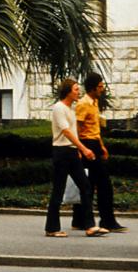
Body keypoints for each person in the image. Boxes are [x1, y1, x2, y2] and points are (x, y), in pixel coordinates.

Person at [45, 78, 107, 238]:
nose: (78, 92)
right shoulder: (59, 108)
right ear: (67, 91)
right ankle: (52, 228)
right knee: (58, 190)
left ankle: (90, 226)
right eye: (75, 89)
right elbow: (66, 131)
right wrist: (84, 148)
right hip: (61, 152)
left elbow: (74, 132)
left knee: (85, 186)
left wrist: (78, 150)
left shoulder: (71, 109)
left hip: (72, 153)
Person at [72, 72, 127, 233]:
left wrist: (101, 146)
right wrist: (81, 149)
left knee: (91, 183)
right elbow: (78, 128)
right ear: (93, 88)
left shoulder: (94, 102)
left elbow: (95, 128)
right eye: (100, 87)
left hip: (94, 143)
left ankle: (80, 219)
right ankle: (106, 220)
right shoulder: (83, 104)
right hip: (86, 145)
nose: (102, 90)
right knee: (101, 184)